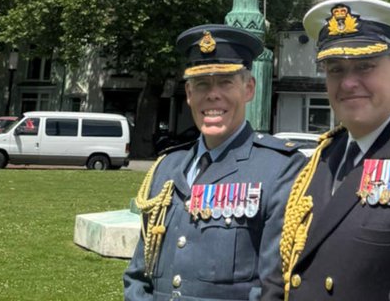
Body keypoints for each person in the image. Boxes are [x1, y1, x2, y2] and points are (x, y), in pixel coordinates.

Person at [261, 0, 390, 301]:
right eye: (335, 69)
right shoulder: (323, 156)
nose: (348, 83)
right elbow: (282, 273)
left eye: (364, 66)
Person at [124, 25, 306, 301]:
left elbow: (275, 288)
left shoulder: (280, 169)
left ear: (249, 89)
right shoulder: (166, 168)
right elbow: (139, 275)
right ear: (188, 93)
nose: (212, 95)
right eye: (202, 84)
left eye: (225, 82)